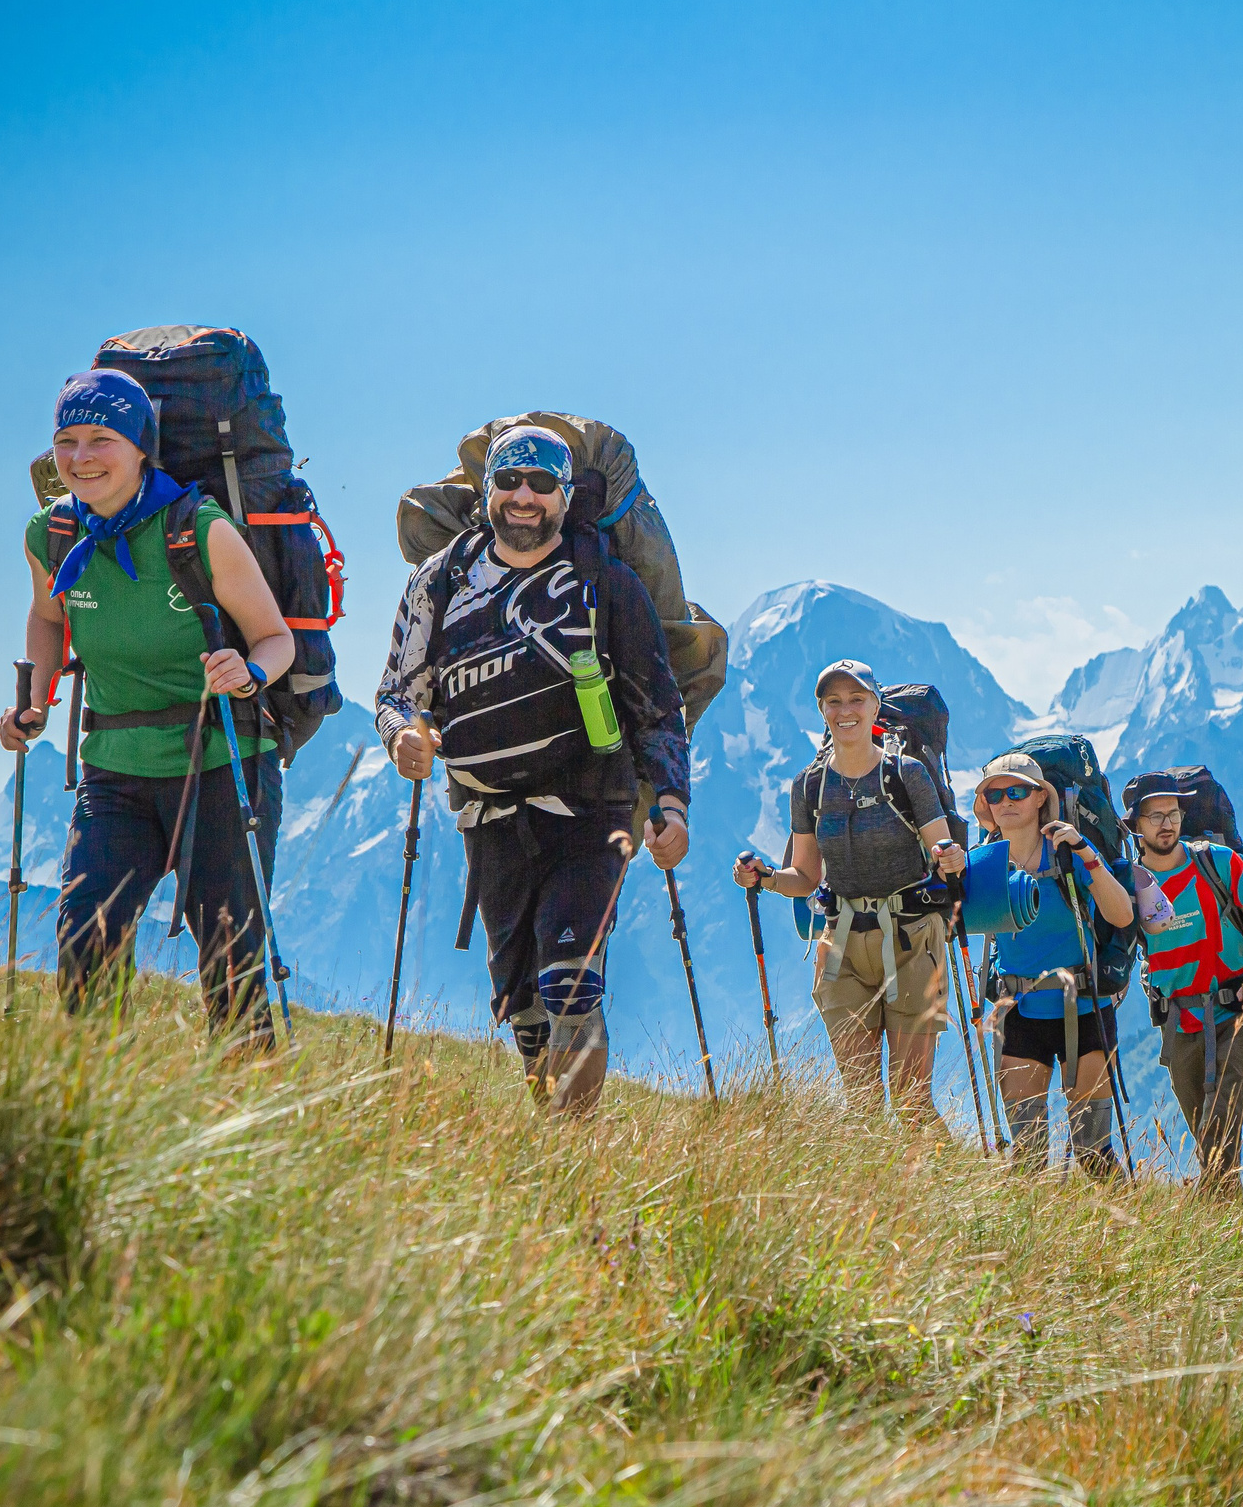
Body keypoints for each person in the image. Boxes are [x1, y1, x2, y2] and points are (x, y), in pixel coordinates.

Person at [377, 424, 690, 1114]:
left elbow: (657, 706)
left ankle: (574, 1145)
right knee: (525, 1015)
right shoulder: (440, 579)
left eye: (542, 483)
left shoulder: (606, 584)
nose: (524, 496)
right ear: (487, 488)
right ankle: (551, 1131)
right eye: (510, 480)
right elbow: (397, 692)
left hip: (590, 814)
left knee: (570, 985)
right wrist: (402, 736)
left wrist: (671, 801)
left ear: (565, 495)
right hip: (487, 821)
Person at [1, 370, 297, 1042]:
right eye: (66, 441)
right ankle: (97, 1085)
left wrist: (248, 671)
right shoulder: (50, 534)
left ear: (141, 447)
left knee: (230, 959)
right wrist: (34, 702)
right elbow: (48, 617)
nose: (80, 457)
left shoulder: (199, 530)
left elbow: (276, 639)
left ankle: (248, 1091)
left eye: (101, 439)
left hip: (221, 761)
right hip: (115, 767)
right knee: (86, 936)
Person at [732, 659, 965, 1121]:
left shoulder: (907, 774)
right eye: (834, 701)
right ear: (822, 710)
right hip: (841, 945)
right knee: (861, 1102)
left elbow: (942, 851)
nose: (845, 710)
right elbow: (805, 877)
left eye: (856, 699)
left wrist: (952, 858)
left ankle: (940, 1171)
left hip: (912, 940)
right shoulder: (809, 786)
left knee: (912, 1103)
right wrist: (766, 877)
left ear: (875, 707)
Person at [977, 753, 1137, 1177]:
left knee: (1092, 1152)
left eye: (1017, 791)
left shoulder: (1068, 854)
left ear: (1039, 798)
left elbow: (1122, 915)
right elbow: (955, 924)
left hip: (1084, 1007)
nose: (1006, 801)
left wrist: (1085, 852)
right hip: (1019, 1012)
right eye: (995, 795)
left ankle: (1126, 1217)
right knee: (1027, 1156)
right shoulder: (983, 863)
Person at [1126, 785, 1243, 1196]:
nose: (1167, 824)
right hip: (1177, 1023)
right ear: (1136, 825)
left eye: (1173, 813)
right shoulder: (1128, 885)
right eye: (1155, 816)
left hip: (1235, 1011)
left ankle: (1211, 1214)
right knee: (1205, 1134)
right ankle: (1224, 1214)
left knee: (1219, 1132)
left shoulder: (1219, 863)